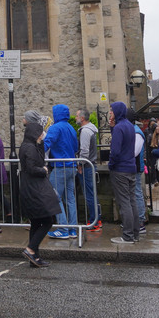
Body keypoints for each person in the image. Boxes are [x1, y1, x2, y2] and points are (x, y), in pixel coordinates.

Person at [18, 113, 62, 267]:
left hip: (33, 187)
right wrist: (43, 170)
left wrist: (41, 143)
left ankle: (34, 257)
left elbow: (40, 157)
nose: (42, 135)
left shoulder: (32, 146)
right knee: (47, 220)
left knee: (37, 222)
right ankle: (31, 250)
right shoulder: (28, 148)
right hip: (34, 188)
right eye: (40, 133)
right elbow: (31, 168)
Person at [44, 104, 79, 239]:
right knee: (70, 198)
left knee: (54, 197)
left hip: (60, 166)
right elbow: (76, 147)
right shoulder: (71, 128)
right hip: (72, 167)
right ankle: (73, 229)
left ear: (56, 114)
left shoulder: (55, 128)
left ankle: (63, 229)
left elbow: (46, 144)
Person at [107, 101, 139, 244]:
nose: (110, 113)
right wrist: (111, 128)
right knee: (132, 201)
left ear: (118, 112)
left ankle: (127, 236)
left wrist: (111, 165)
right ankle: (135, 234)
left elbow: (115, 150)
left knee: (124, 202)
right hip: (131, 168)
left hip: (120, 169)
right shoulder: (130, 126)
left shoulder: (120, 127)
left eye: (112, 110)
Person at [76, 109, 101, 231]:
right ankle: (97, 219)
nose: (75, 118)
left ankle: (94, 221)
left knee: (89, 194)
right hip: (90, 165)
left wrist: (80, 164)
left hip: (86, 167)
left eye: (77, 116)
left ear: (82, 118)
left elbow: (84, 151)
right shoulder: (90, 130)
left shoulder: (85, 131)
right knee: (92, 193)